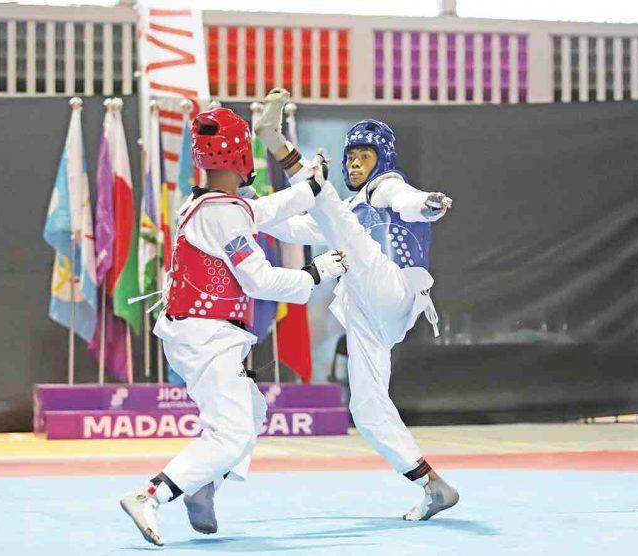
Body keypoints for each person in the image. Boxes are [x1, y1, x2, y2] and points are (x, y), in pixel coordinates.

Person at [119, 107, 348, 547]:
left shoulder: (208, 205)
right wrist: (315, 273)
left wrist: (312, 189)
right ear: (243, 155)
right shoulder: (223, 213)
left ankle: (202, 485)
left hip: (200, 334)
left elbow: (262, 210)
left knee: (251, 413)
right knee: (231, 433)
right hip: (207, 337)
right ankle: (150, 494)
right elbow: (258, 280)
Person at [251, 88, 460, 521]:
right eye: (350, 158)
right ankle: (432, 485)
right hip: (369, 312)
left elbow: (407, 200)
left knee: (330, 211)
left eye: (363, 157)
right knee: (366, 409)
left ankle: (273, 138)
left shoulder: (386, 186)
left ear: (381, 161)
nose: (354, 164)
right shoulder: (349, 207)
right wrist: (250, 207)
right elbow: (293, 229)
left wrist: (429, 205)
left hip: (393, 288)